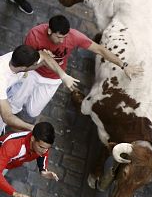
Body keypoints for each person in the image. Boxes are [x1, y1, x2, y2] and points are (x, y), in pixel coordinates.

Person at [10, 14, 139, 119]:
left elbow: (100, 50)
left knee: (33, 112)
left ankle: (21, 94)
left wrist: (124, 65)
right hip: (33, 72)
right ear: (49, 31)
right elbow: (29, 62)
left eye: (64, 37)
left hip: (52, 79)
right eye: (59, 37)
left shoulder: (74, 36)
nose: (62, 41)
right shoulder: (34, 35)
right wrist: (43, 61)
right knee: (14, 105)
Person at [0, 44, 78, 135]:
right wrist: (32, 128)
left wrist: (63, 75)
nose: (38, 65)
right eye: (34, 65)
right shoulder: (2, 79)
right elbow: (7, 116)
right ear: (24, 68)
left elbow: (44, 57)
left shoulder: (17, 57)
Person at [0, 122, 57, 197]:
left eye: (47, 148)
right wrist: (14, 193)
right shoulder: (12, 147)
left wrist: (43, 170)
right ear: (32, 138)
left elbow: (43, 154)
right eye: (41, 147)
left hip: (8, 162)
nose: (44, 151)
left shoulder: (41, 144)